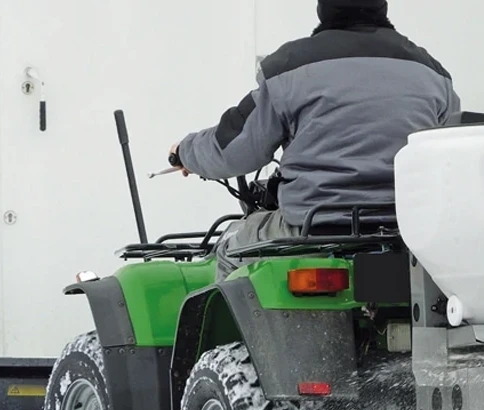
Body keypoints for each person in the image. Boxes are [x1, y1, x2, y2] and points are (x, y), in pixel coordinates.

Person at [171, 0, 460, 271]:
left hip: (313, 229)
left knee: (230, 247)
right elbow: (451, 155)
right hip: (408, 233)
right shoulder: (433, 73)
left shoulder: (289, 66)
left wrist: (185, 151)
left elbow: (232, 149)